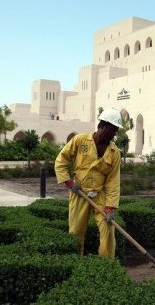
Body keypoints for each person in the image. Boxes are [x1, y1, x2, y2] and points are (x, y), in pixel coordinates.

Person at [54, 108, 123, 257]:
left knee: (108, 229)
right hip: (79, 193)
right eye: (113, 129)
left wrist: (110, 207)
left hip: (100, 195)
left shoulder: (114, 152)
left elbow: (113, 181)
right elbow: (61, 160)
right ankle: (76, 261)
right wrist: (69, 183)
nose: (114, 134)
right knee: (76, 232)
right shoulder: (80, 140)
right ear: (103, 126)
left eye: (116, 130)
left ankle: (106, 265)